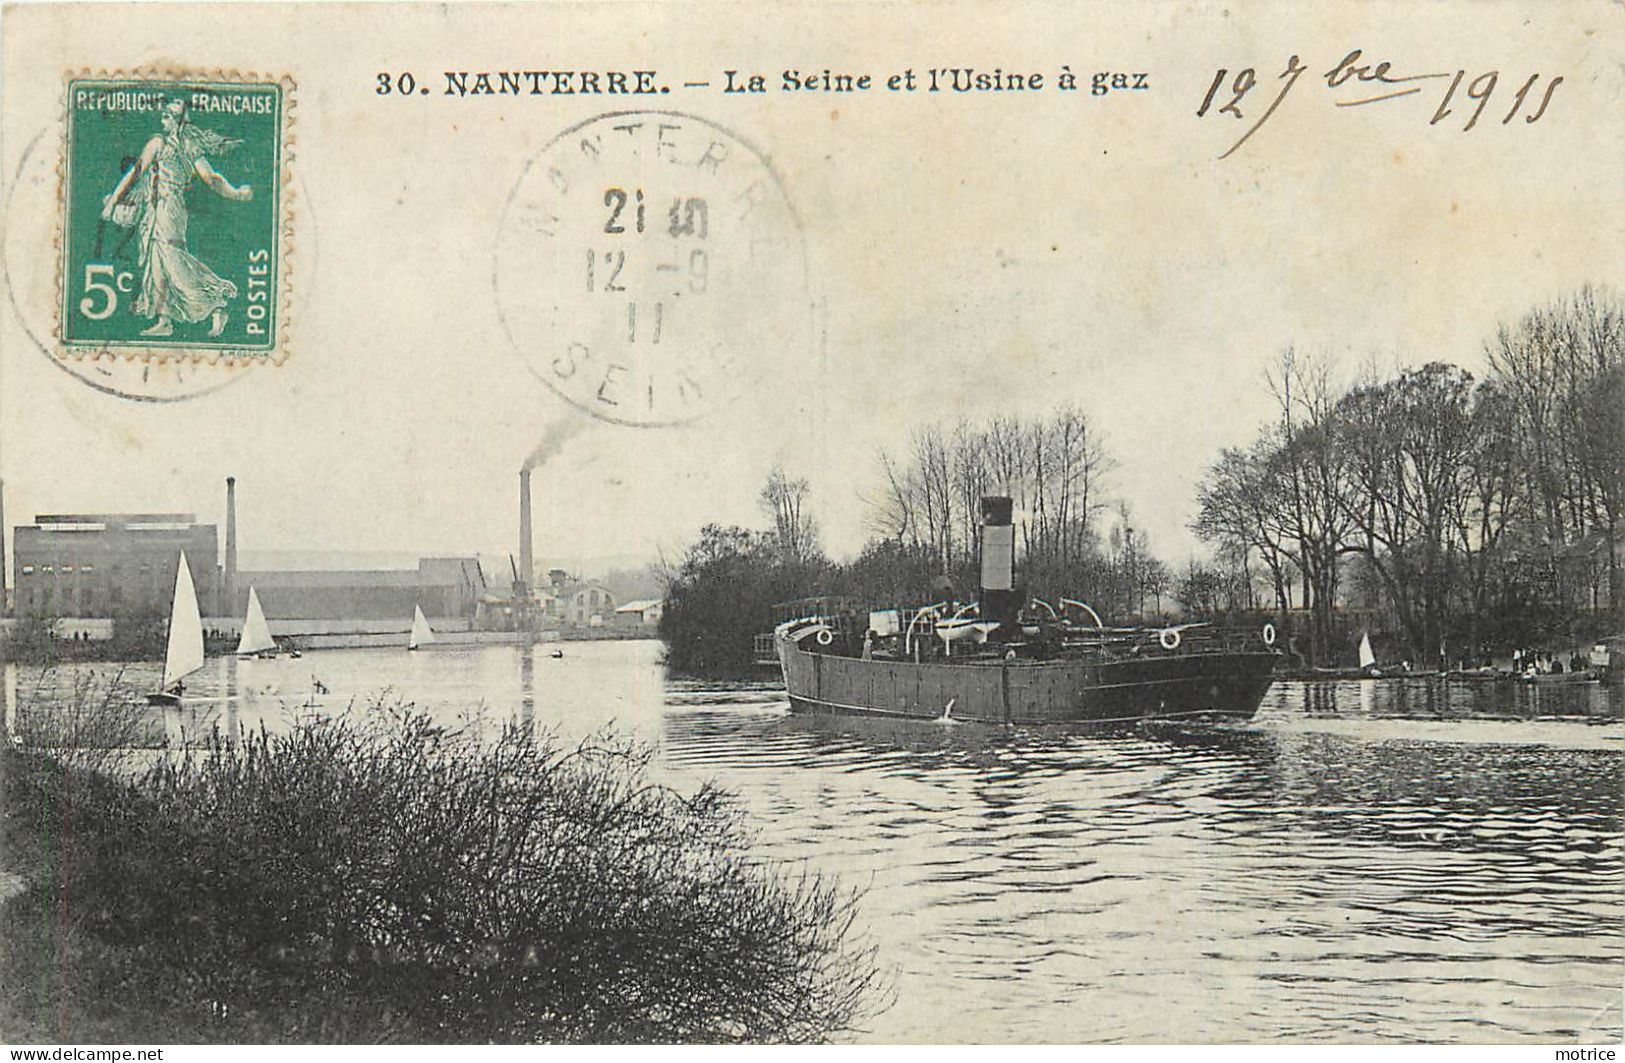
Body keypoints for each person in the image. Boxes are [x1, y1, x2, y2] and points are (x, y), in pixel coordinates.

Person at [101, 98, 253, 338]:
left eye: (167, 115)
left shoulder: (159, 143)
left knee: (171, 261)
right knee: (158, 262)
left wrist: (112, 203)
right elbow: (211, 178)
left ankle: (216, 303)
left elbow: (136, 173)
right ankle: (165, 320)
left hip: (165, 209)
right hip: (167, 209)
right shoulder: (185, 147)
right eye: (163, 115)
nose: (162, 119)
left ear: (177, 121)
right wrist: (237, 194)